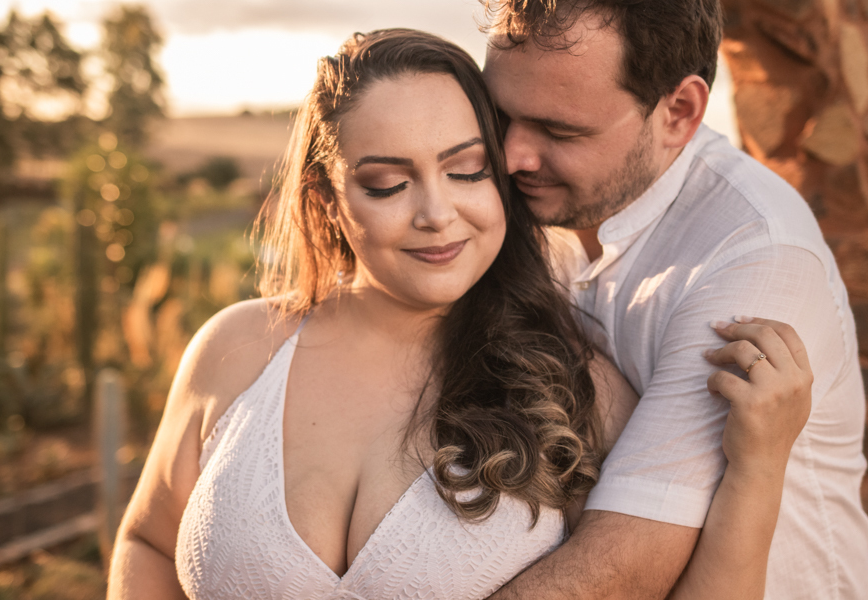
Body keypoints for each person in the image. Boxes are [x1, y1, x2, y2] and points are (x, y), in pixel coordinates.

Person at [107, 29, 812, 600]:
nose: (437, 214)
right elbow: (148, 544)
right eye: (388, 182)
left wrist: (758, 468)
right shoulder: (235, 348)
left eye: (467, 169)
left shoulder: (577, 389)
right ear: (327, 201)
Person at [477, 1, 868, 599]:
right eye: (499, 116)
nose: (512, 158)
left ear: (679, 112)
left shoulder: (754, 252)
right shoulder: (524, 205)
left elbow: (620, 573)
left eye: (561, 131)